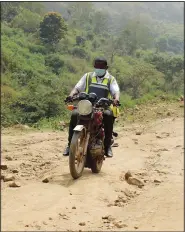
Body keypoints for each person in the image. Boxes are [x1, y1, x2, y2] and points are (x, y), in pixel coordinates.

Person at [63, 57, 120, 158]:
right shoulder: (88, 76)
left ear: (105, 68)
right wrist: (71, 96)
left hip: (103, 106)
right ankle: (69, 146)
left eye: (100, 67)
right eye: (96, 67)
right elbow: (77, 88)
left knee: (108, 116)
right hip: (87, 105)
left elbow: (115, 91)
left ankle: (107, 147)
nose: (98, 69)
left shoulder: (111, 79)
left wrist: (116, 99)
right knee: (75, 115)